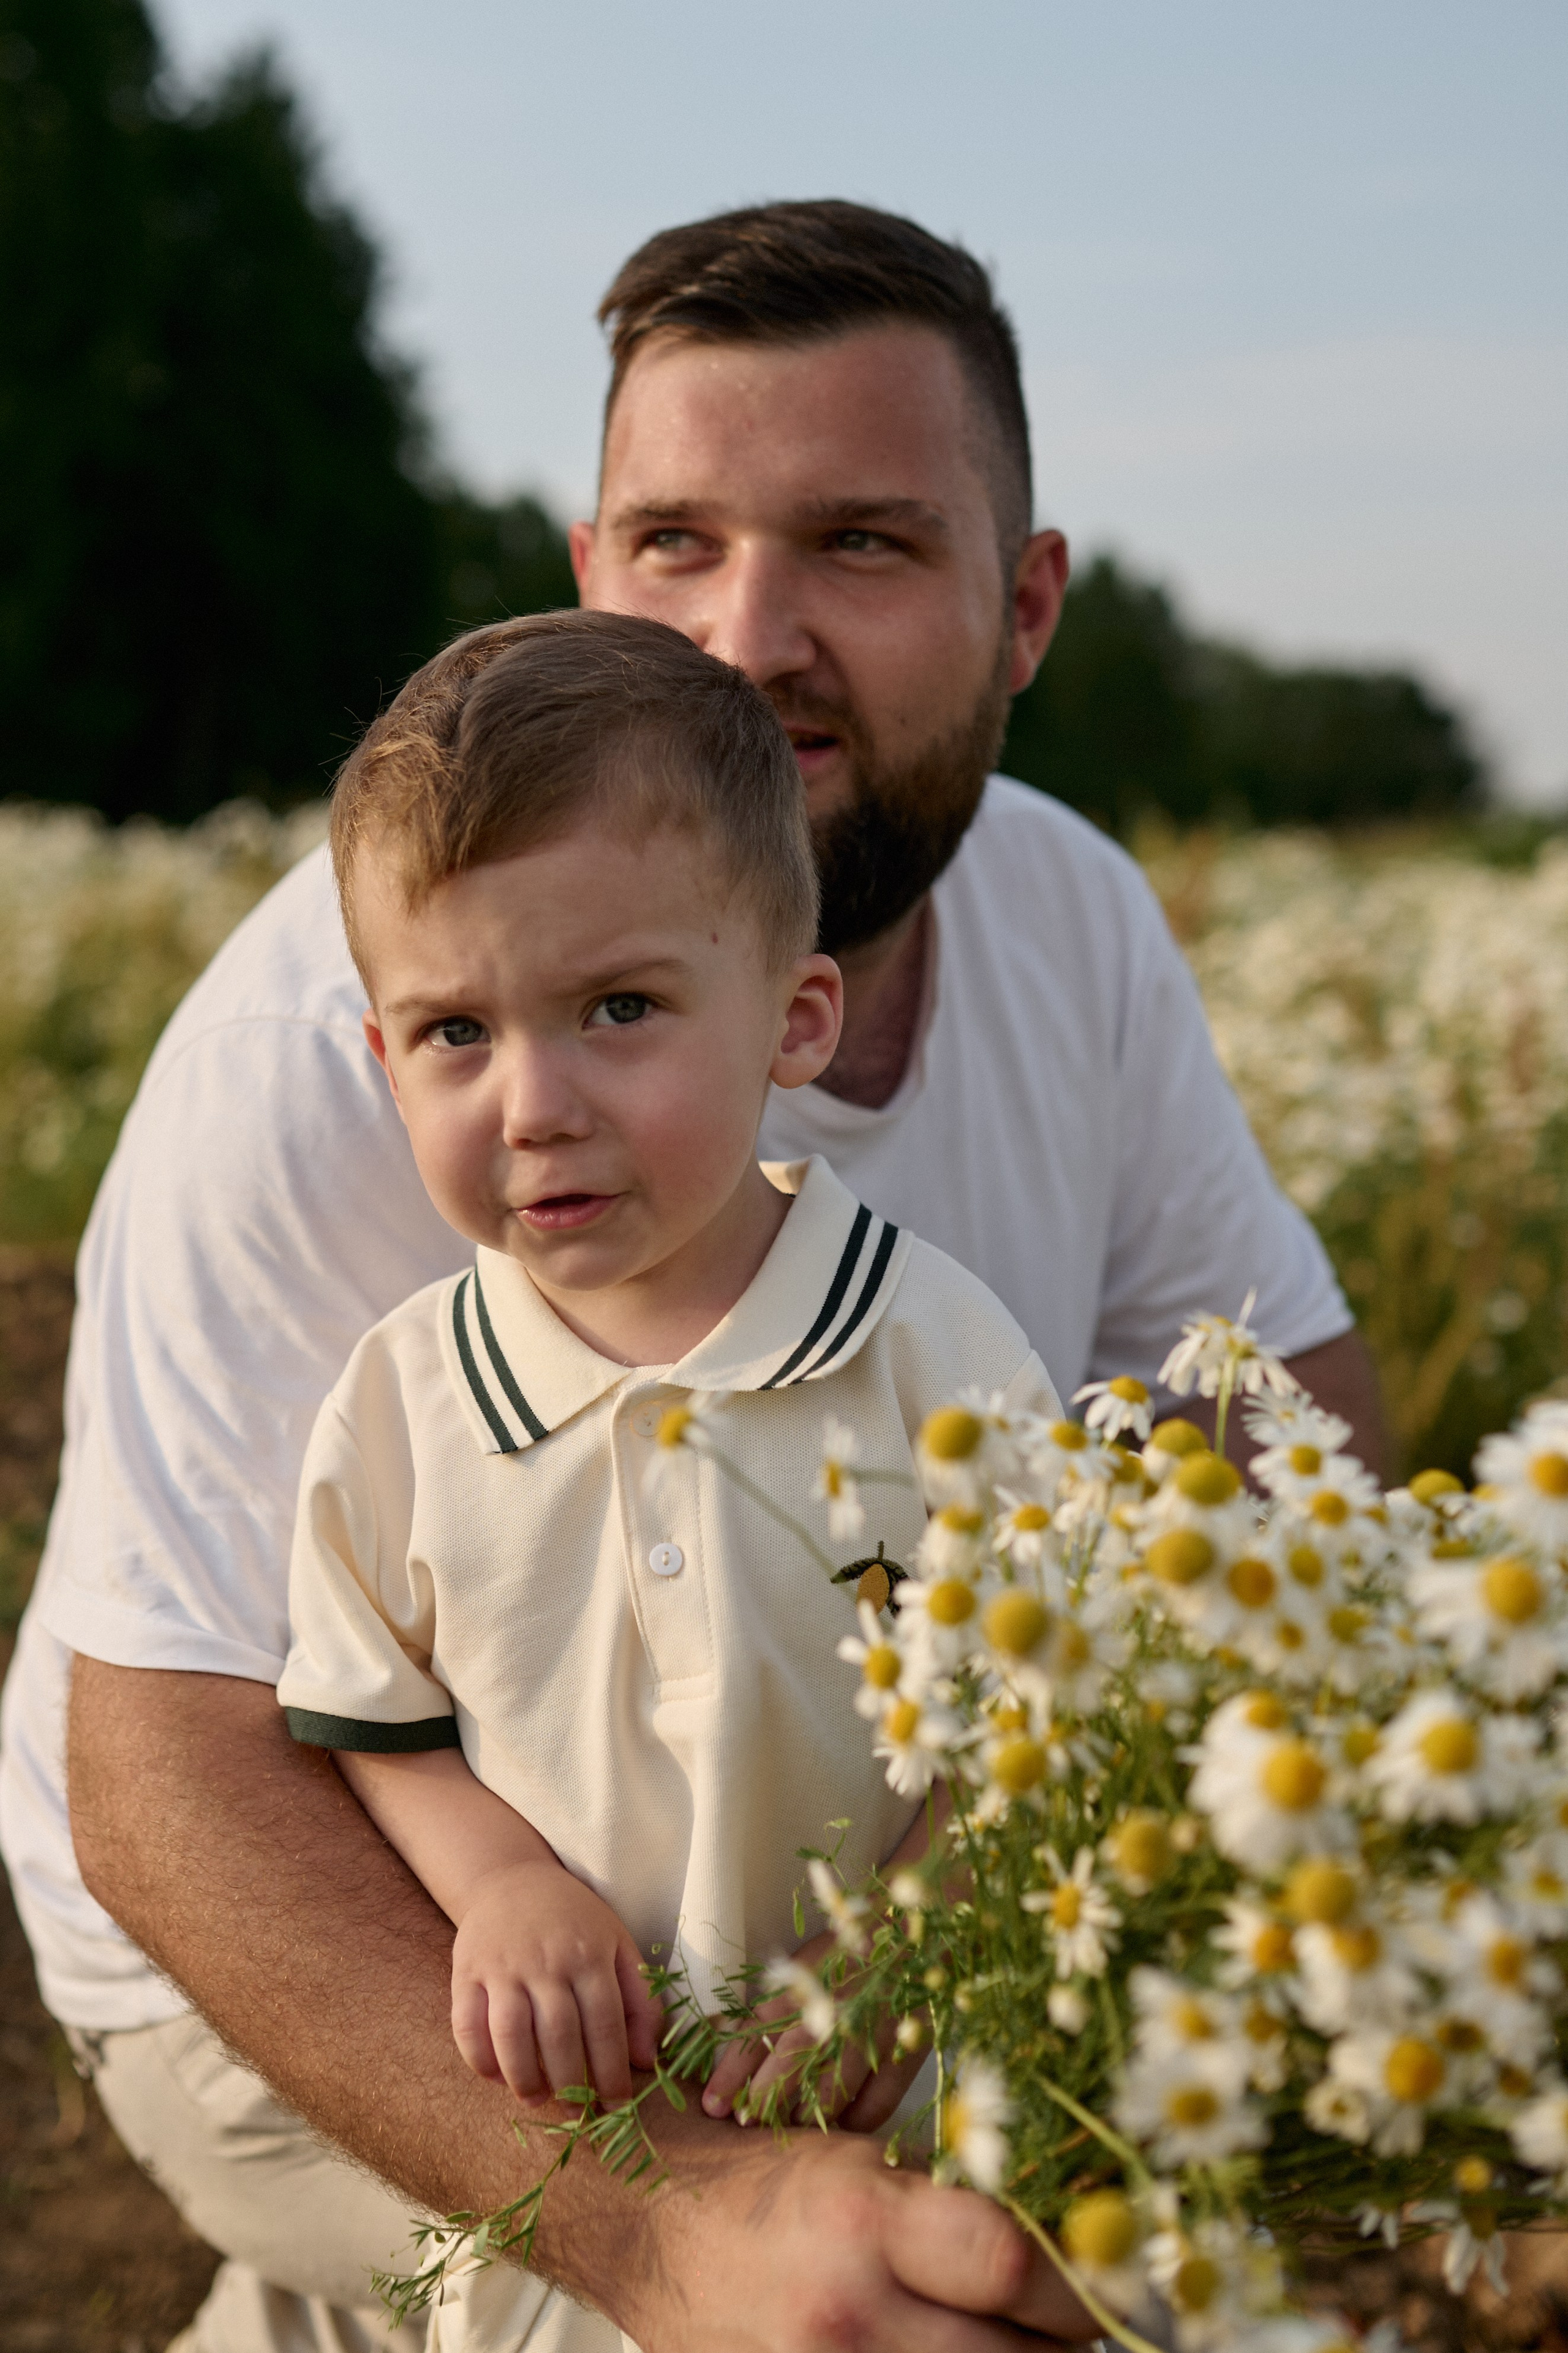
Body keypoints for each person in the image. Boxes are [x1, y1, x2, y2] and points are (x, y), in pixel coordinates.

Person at [0, 200, 1378, 2353]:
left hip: (821, 1925)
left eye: (861, 543)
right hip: (314, 1957)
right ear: (584, 576)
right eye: (673, 543)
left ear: (1027, 609)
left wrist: (969, 1881)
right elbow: (170, 1762)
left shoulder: (1080, 925)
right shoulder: (345, 1028)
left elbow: (1287, 1411)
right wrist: (658, 2228)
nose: (746, 636)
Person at [277, 608, 1063, 2353]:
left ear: (793, 1020)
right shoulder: (405, 1405)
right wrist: (500, 1884)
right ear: (377, 1060)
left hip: (909, 2144)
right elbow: (375, 1719)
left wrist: (914, 1946)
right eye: (454, 1034)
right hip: (593, 2174)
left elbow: (1048, 1714)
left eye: (617, 1008)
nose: (536, 1102)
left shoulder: (932, 1357)